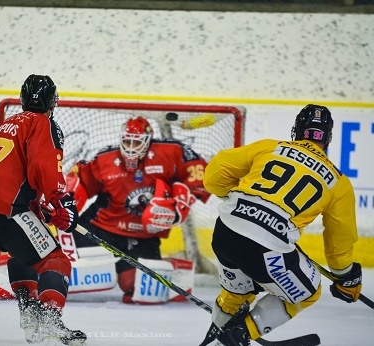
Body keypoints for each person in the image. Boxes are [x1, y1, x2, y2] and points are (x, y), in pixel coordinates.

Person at [199, 104, 362, 346]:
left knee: (236, 291)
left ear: (296, 131)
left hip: (226, 232)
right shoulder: (339, 183)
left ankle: (214, 339)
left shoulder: (270, 147)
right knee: (308, 291)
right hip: (265, 248)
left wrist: (237, 201)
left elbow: (214, 174)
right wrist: (346, 277)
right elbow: (339, 243)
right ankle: (240, 335)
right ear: (327, 138)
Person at [0, 74, 86, 345]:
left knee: (24, 251)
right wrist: (62, 200)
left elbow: (12, 174)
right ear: (52, 101)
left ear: (24, 99)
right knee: (55, 260)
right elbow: (43, 166)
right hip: (1, 207)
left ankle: (31, 313)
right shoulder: (44, 123)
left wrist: (40, 208)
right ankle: (49, 319)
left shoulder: (7, 124)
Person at [66, 116, 211, 303]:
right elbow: (80, 181)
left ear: (148, 141)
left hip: (142, 236)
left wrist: (182, 203)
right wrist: (68, 201)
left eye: (137, 142)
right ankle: (23, 280)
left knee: (133, 287)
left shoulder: (171, 153)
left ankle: (171, 268)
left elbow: (199, 172)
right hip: (100, 228)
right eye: (127, 141)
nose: (131, 148)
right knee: (62, 268)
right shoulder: (106, 159)